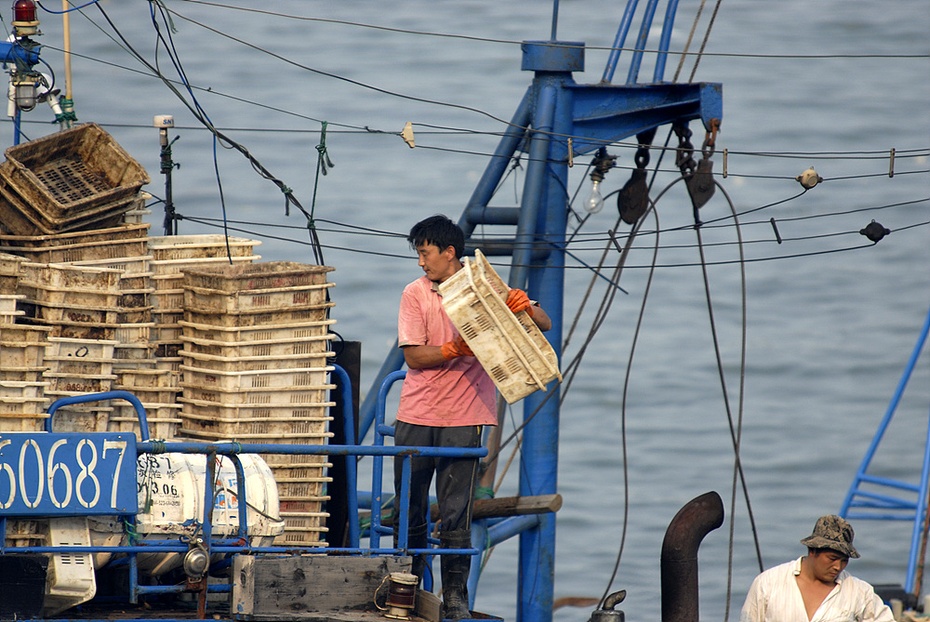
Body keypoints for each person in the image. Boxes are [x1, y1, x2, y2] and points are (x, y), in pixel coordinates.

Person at [393, 214, 551, 620]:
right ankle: (405, 588)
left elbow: (544, 324)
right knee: (409, 505)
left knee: (456, 510)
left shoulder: (487, 286)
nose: (421, 262)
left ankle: (455, 597)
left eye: (425, 253)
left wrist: (523, 307)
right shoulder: (416, 293)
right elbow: (412, 356)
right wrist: (454, 350)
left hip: (465, 415)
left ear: (450, 253)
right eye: (418, 254)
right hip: (417, 412)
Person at [740, 514, 895, 622]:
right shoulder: (768, 584)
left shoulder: (859, 592)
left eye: (844, 561)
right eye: (832, 559)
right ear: (812, 551)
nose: (838, 567)